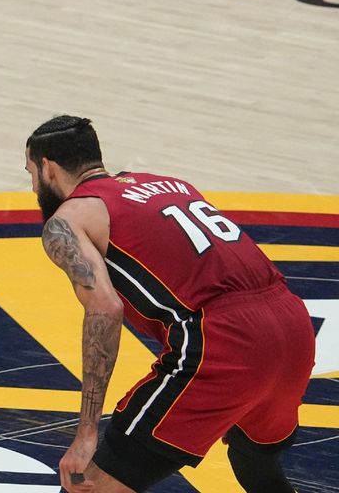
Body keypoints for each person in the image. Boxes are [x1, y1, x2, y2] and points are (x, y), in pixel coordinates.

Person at [24, 115, 314, 493]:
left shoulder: (68, 219)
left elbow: (105, 309)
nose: (32, 186)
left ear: (47, 168)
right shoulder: (171, 184)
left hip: (222, 340)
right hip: (294, 325)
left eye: (30, 173)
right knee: (253, 457)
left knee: (87, 483)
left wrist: (86, 432)